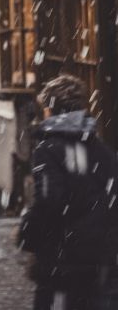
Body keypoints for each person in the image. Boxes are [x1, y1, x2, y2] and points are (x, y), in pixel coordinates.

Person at [19, 74, 118, 310]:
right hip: (103, 259)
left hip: (63, 263)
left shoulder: (48, 150)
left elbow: (49, 201)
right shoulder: (100, 148)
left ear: (50, 110)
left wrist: (27, 232)